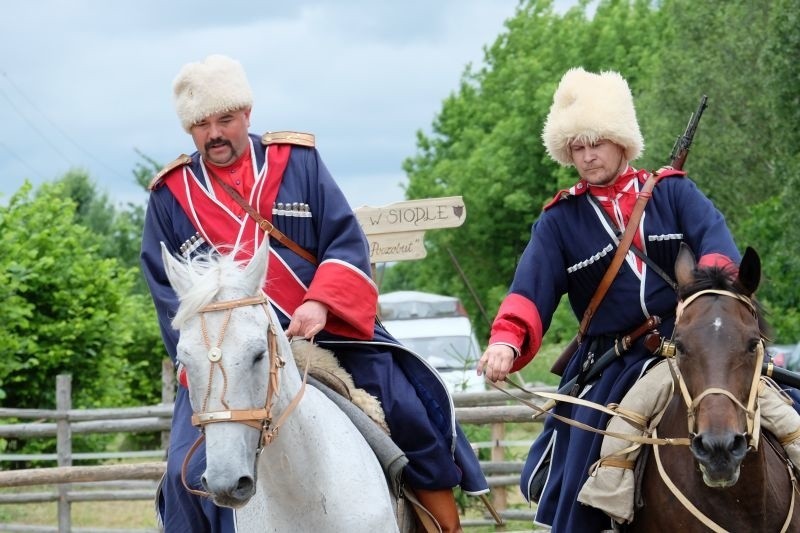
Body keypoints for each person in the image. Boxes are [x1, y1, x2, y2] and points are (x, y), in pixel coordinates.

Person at [141, 54, 487, 533]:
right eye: (201, 125)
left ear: (247, 114)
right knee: (184, 474)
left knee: (410, 406)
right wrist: (201, 360)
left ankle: (440, 524)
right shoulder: (170, 195)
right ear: (189, 130)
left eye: (225, 119)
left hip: (324, 332)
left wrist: (320, 301)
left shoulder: (296, 162)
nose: (214, 133)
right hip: (225, 361)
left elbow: (346, 241)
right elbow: (167, 292)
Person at [476, 67, 800, 531]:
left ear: (621, 142)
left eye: (596, 143)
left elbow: (718, 248)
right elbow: (529, 290)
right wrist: (506, 342)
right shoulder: (559, 220)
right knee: (594, 464)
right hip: (619, 360)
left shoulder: (673, 191)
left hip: (700, 346)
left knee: (787, 420)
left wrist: (708, 307)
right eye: (577, 147)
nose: (587, 157)